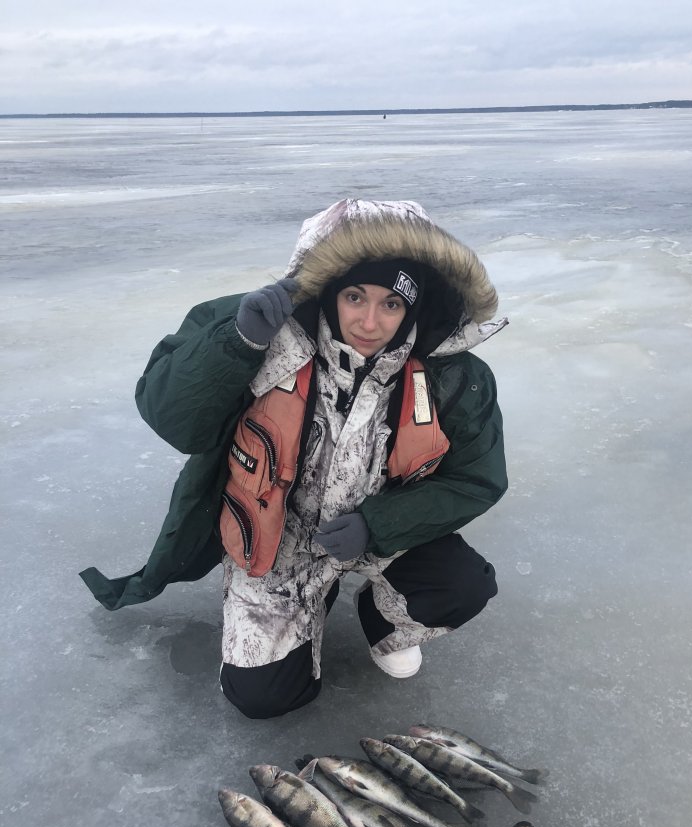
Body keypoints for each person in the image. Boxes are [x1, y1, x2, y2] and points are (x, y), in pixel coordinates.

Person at [80, 198, 509, 719]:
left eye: (392, 304)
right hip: (277, 543)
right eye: (355, 296)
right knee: (260, 698)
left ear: (412, 310)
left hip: (379, 537)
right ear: (331, 292)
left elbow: (476, 479)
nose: (369, 321)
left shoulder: (454, 376)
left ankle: (382, 619)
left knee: (464, 585)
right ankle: (301, 609)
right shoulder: (263, 335)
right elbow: (171, 417)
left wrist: (378, 525)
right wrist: (235, 343)